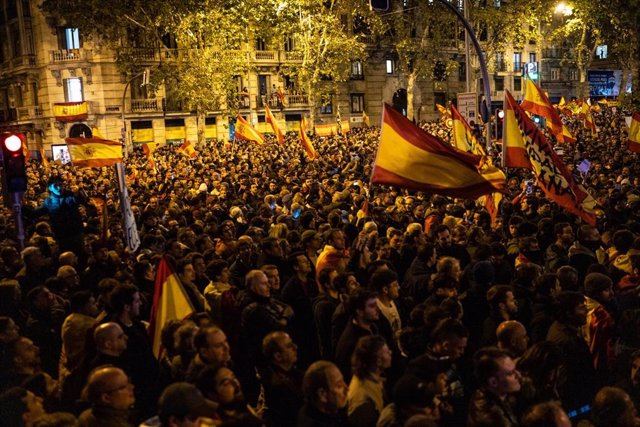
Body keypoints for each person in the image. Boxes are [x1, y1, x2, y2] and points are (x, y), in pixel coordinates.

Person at [467, 347, 521, 427]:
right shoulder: (489, 418)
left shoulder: (500, 395)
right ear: (493, 382)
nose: (518, 375)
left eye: (515, 370)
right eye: (510, 373)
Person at [259, 331, 303, 427]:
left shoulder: (292, 372)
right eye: (289, 346)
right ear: (278, 356)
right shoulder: (277, 387)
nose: (295, 347)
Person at [346, 335, 392, 427]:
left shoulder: (373, 379)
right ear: (378, 361)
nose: (391, 353)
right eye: (387, 352)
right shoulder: (362, 399)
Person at [297, 361, 348, 427]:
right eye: (339, 386)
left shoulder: (332, 411)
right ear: (322, 394)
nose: (347, 389)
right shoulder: (313, 423)